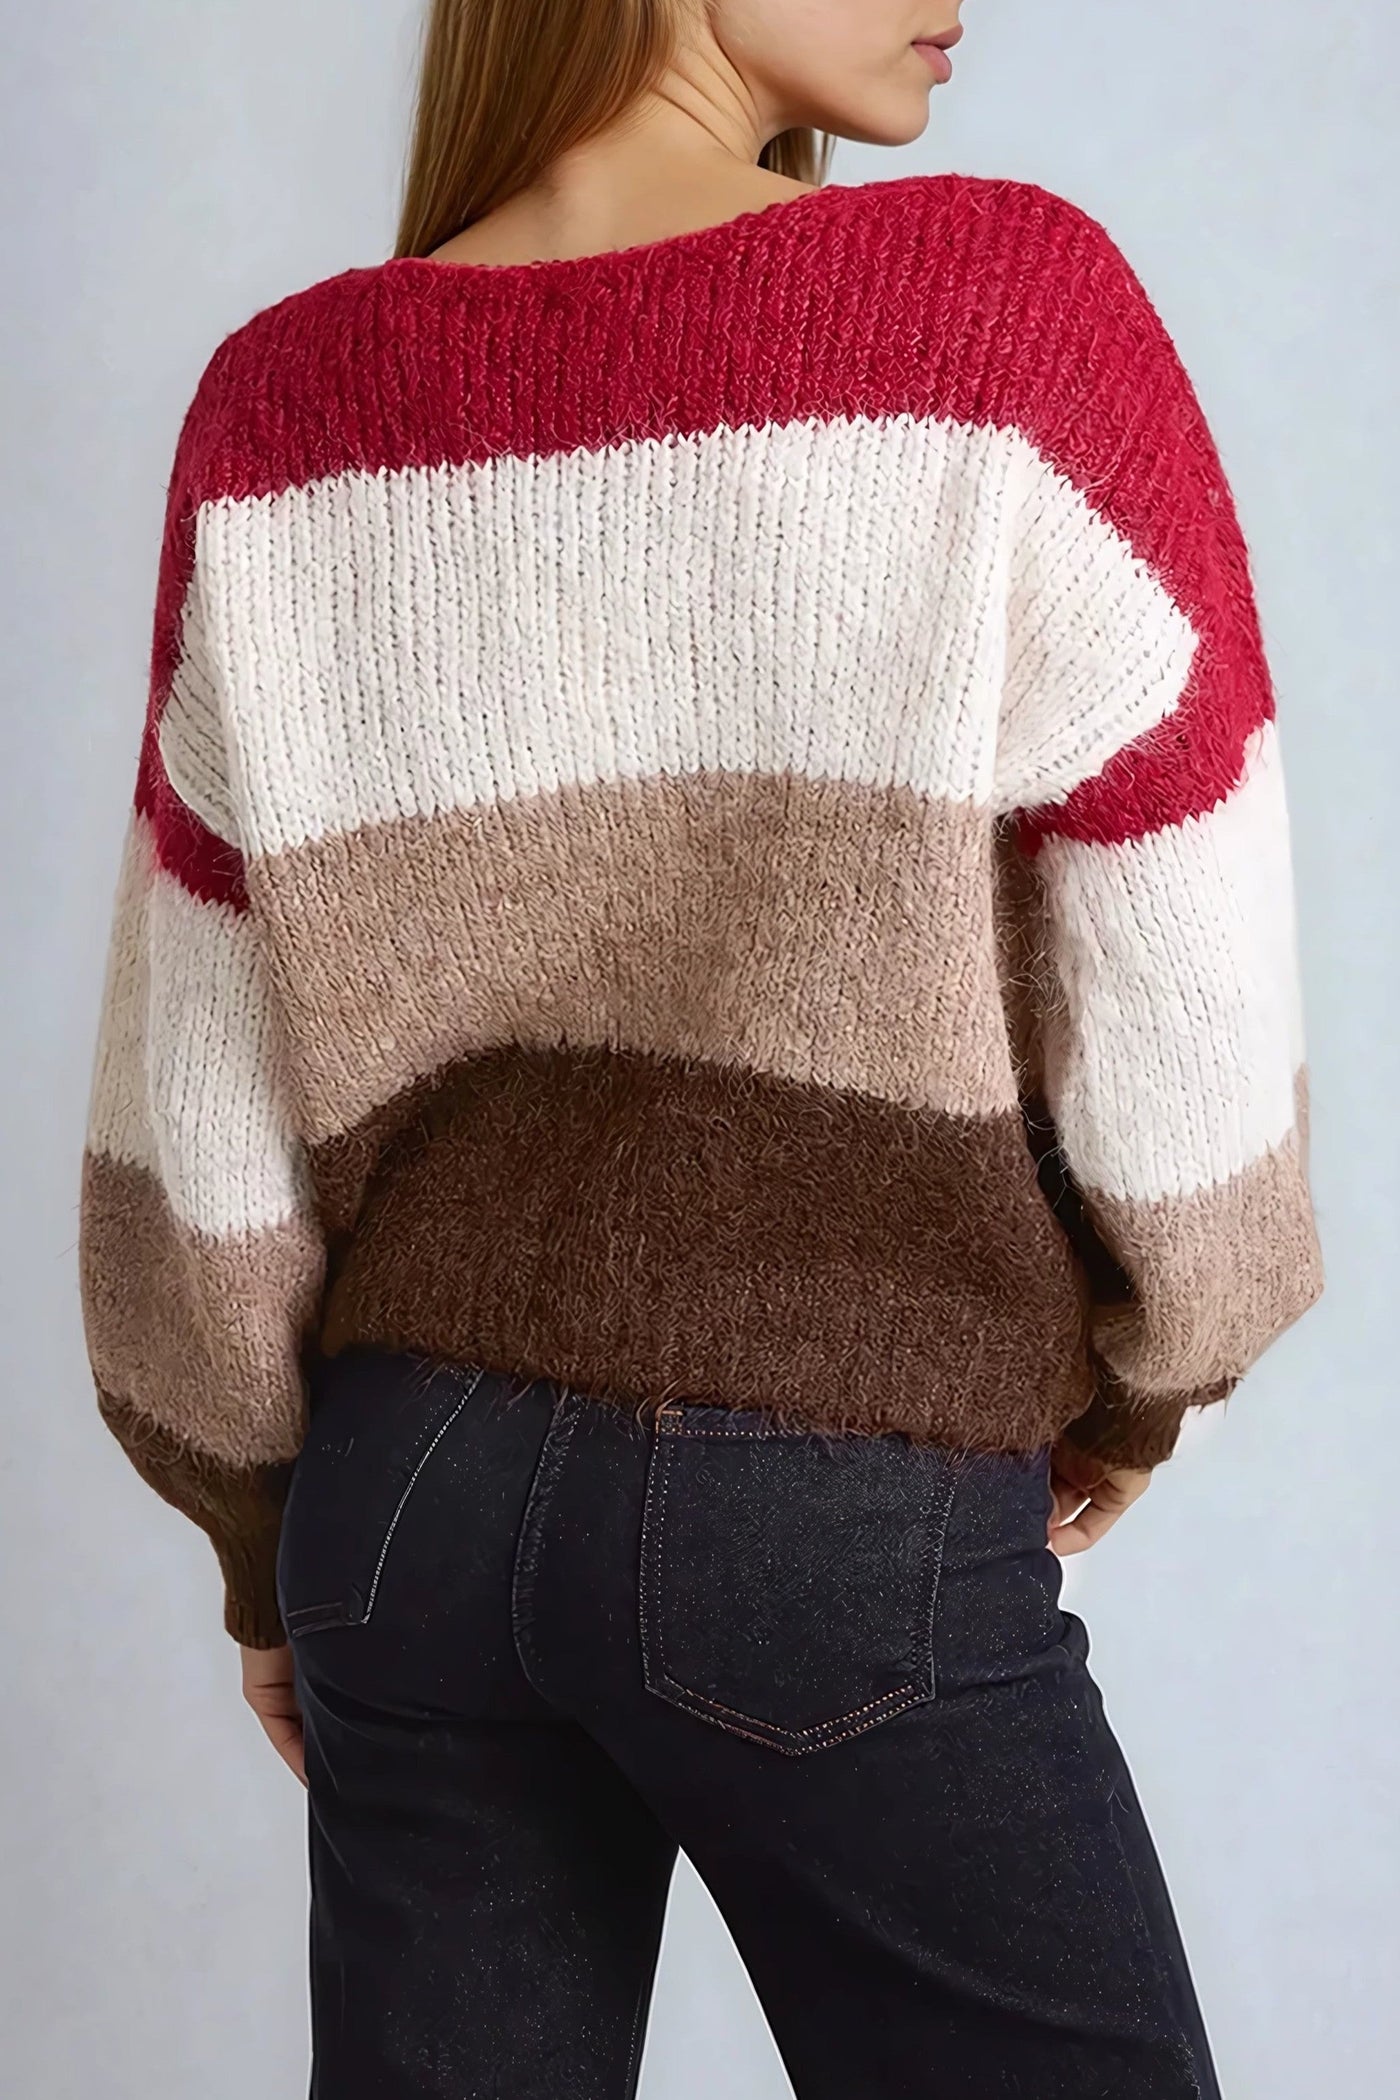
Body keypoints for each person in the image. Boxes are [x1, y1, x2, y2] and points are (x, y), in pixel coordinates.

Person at [76, 1, 1324, 2093]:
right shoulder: (999, 310)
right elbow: (1180, 936)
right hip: (825, 1496)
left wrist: (258, 1536)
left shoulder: (281, 404)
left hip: (400, 1516)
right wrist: (1147, 1368)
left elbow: (193, 1071)